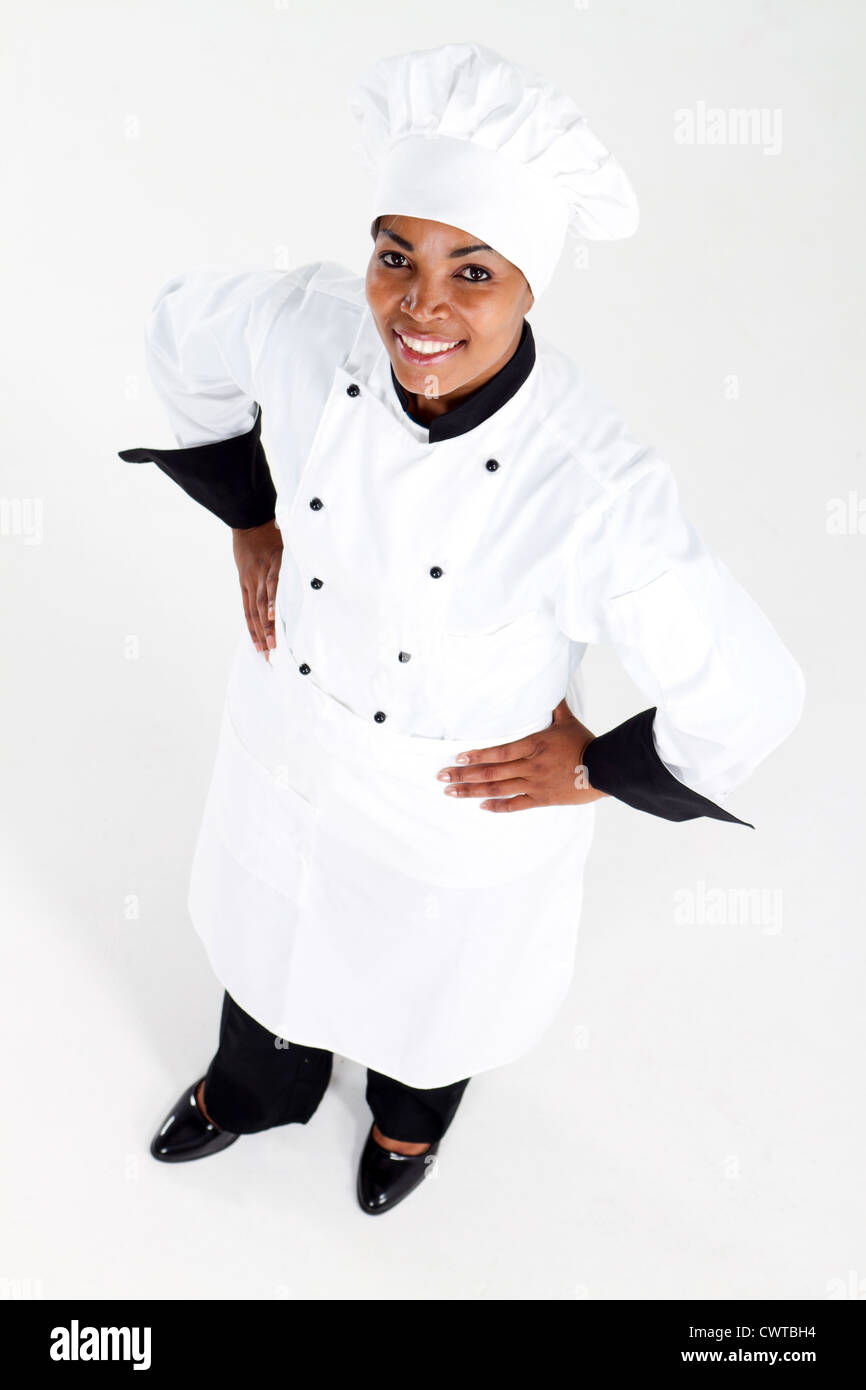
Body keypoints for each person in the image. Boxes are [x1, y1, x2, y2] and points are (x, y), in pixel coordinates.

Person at [119, 42, 805, 1217]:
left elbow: (750, 689)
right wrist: (251, 516)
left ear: (531, 284)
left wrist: (592, 764)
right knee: (268, 940)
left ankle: (405, 1124)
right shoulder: (306, 327)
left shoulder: (589, 487)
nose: (420, 306)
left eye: (471, 272)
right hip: (291, 746)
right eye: (398, 257)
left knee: (432, 995)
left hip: (457, 802)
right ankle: (257, 1089)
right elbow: (183, 332)